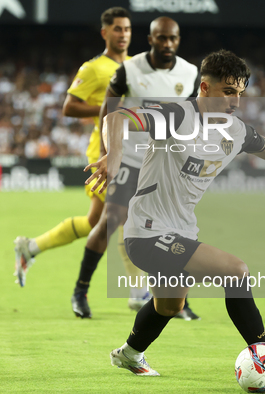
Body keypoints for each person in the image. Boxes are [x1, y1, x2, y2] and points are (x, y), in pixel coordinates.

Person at [85, 50, 265, 380]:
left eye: (240, 93)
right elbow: (115, 117)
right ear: (205, 89)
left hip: (181, 230)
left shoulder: (234, 131)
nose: (236, 101)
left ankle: (129, 354)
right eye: (228, 92)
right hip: (147, 231)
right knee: (236, 271)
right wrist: (113, 157)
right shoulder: (176, 117)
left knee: (170, 306)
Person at [70, 16, 201, 319]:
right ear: (151, 39)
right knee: (111, 219)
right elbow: (108, 108)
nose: (167, 44)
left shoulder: (190, 73)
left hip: (165, 163)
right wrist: (108, 151)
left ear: (178, 40)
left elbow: (193, 115)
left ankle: (178, 301)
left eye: (173, 38)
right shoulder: (129, 69)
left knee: (176, 229)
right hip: (129, 156)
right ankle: (80, 291)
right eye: (162, 38)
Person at [14, 7, 132, 286]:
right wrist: (110, 107)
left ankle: (31, 247)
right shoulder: (93, 68)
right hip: (103, 150)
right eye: (117, 29)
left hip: (131, 150)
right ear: (105, 33)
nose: (123, 34)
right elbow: (69, 107)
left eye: (127, 29)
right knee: (127, 215)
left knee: (96, 222)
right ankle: (137, 290)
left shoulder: (136, 66)